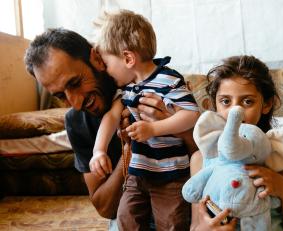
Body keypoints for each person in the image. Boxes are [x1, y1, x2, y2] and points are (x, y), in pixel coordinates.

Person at [23, 28, 196, 227]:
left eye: (76, 82)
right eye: (61, 96)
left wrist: (171, 127)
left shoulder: (150, 85)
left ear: (95, 58)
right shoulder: (77, 121)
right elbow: (105, 207)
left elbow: (207, 162)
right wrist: (130, 149)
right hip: (133, 201)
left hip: (176, 194)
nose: (76, 103)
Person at [91, 10, 200, 230]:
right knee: (126, 220)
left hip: (170, 173)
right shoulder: (130, 89)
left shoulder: (167, 79)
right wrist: (98, 150)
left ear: (128, 58)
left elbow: (191, 114)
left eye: (107, 63)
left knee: (171, 222)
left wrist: (154, 128)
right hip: (137, 173)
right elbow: (112, 116)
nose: (106, 71)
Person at [189, 55, 283, 231]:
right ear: (215, 104)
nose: (235, 111)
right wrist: (207, 228)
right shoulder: (201, 159)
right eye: (225, 101)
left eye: (247, 101)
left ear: (267, 104)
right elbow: (195, 226)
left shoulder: (280, 158)